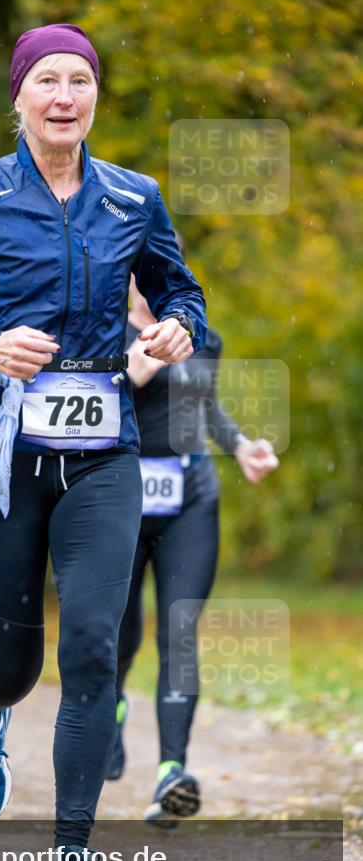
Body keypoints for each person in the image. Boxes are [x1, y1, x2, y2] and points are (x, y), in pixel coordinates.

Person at [0, 23, 206, 861]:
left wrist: (177, 325)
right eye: (47, 81)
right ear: (19, 97)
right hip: (4, 456)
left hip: (103, 453)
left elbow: (178, 289)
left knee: (93, 648)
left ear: (95, 97)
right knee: (12, 666)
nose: (64, 96)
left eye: (80, 80)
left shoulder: (134, 197)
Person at [106, 276, 279, 828]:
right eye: (143, 274)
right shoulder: (102, 333)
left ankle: (171, 774)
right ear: (125, 279)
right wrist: (133, 367)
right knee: (118, 634)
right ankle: (110, 711)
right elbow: (101, 399)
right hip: (120, 500)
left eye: (165, 270)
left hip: (190, 497)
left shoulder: (204, 338)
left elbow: (204, 408)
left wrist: (241, 446)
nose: (153, 286)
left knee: (179, 633)